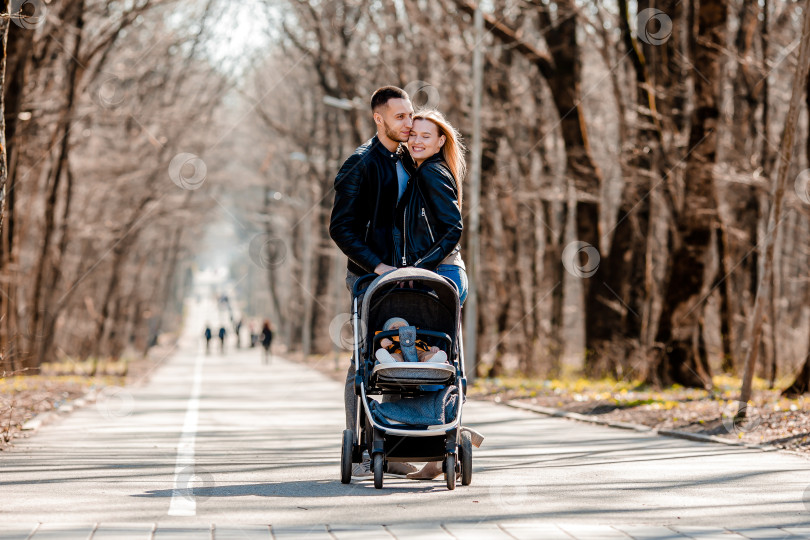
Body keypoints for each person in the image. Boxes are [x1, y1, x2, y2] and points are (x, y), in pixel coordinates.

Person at [329, 86, 418, 479]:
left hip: (411, 274)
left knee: (409, 349)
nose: (409, 122)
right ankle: (360, 442)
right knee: (364, 357)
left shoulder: (412, 158)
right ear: (378, 118)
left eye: (411, 115)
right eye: (400, 116)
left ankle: (404, 434)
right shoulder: (360, 164)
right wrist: (376, 266)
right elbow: (340, 228)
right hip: (370, 275)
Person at [399, 109, 467, 304]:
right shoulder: (423, 171)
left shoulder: (431, 172)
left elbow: (453, 228)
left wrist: (419, 267)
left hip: (439, 274)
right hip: (442, 273)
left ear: (440, 141)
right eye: (412, 135)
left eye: (426, 136)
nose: (417, 141)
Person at [375, 317, 447, 364]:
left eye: (403, 327)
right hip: (399, 353)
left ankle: (433, 360)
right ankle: (391, 361)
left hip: (418, 352)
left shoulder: (415, 338)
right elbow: (381, 340)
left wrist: (432, 348)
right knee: (395, 356)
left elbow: (423, 345)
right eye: (394, 327)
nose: (399, 329)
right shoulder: (389, 338)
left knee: (426, 355)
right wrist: (383, 343)